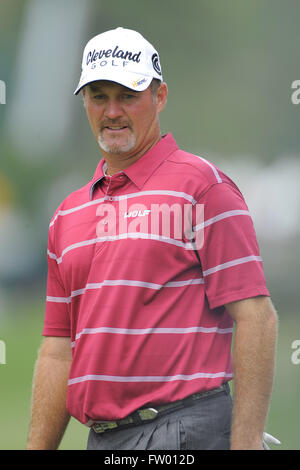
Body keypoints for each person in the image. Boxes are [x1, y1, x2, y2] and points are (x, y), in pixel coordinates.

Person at [27, 27, 278, 451]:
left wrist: (247, 441)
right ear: (84, 102)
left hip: (184, 430)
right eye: (99, 96)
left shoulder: (203, 187)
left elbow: (257, 317)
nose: (112, 111)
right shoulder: (67, 216)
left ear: (159, 97)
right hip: (103, 439)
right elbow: (57, 353)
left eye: (127, 96)